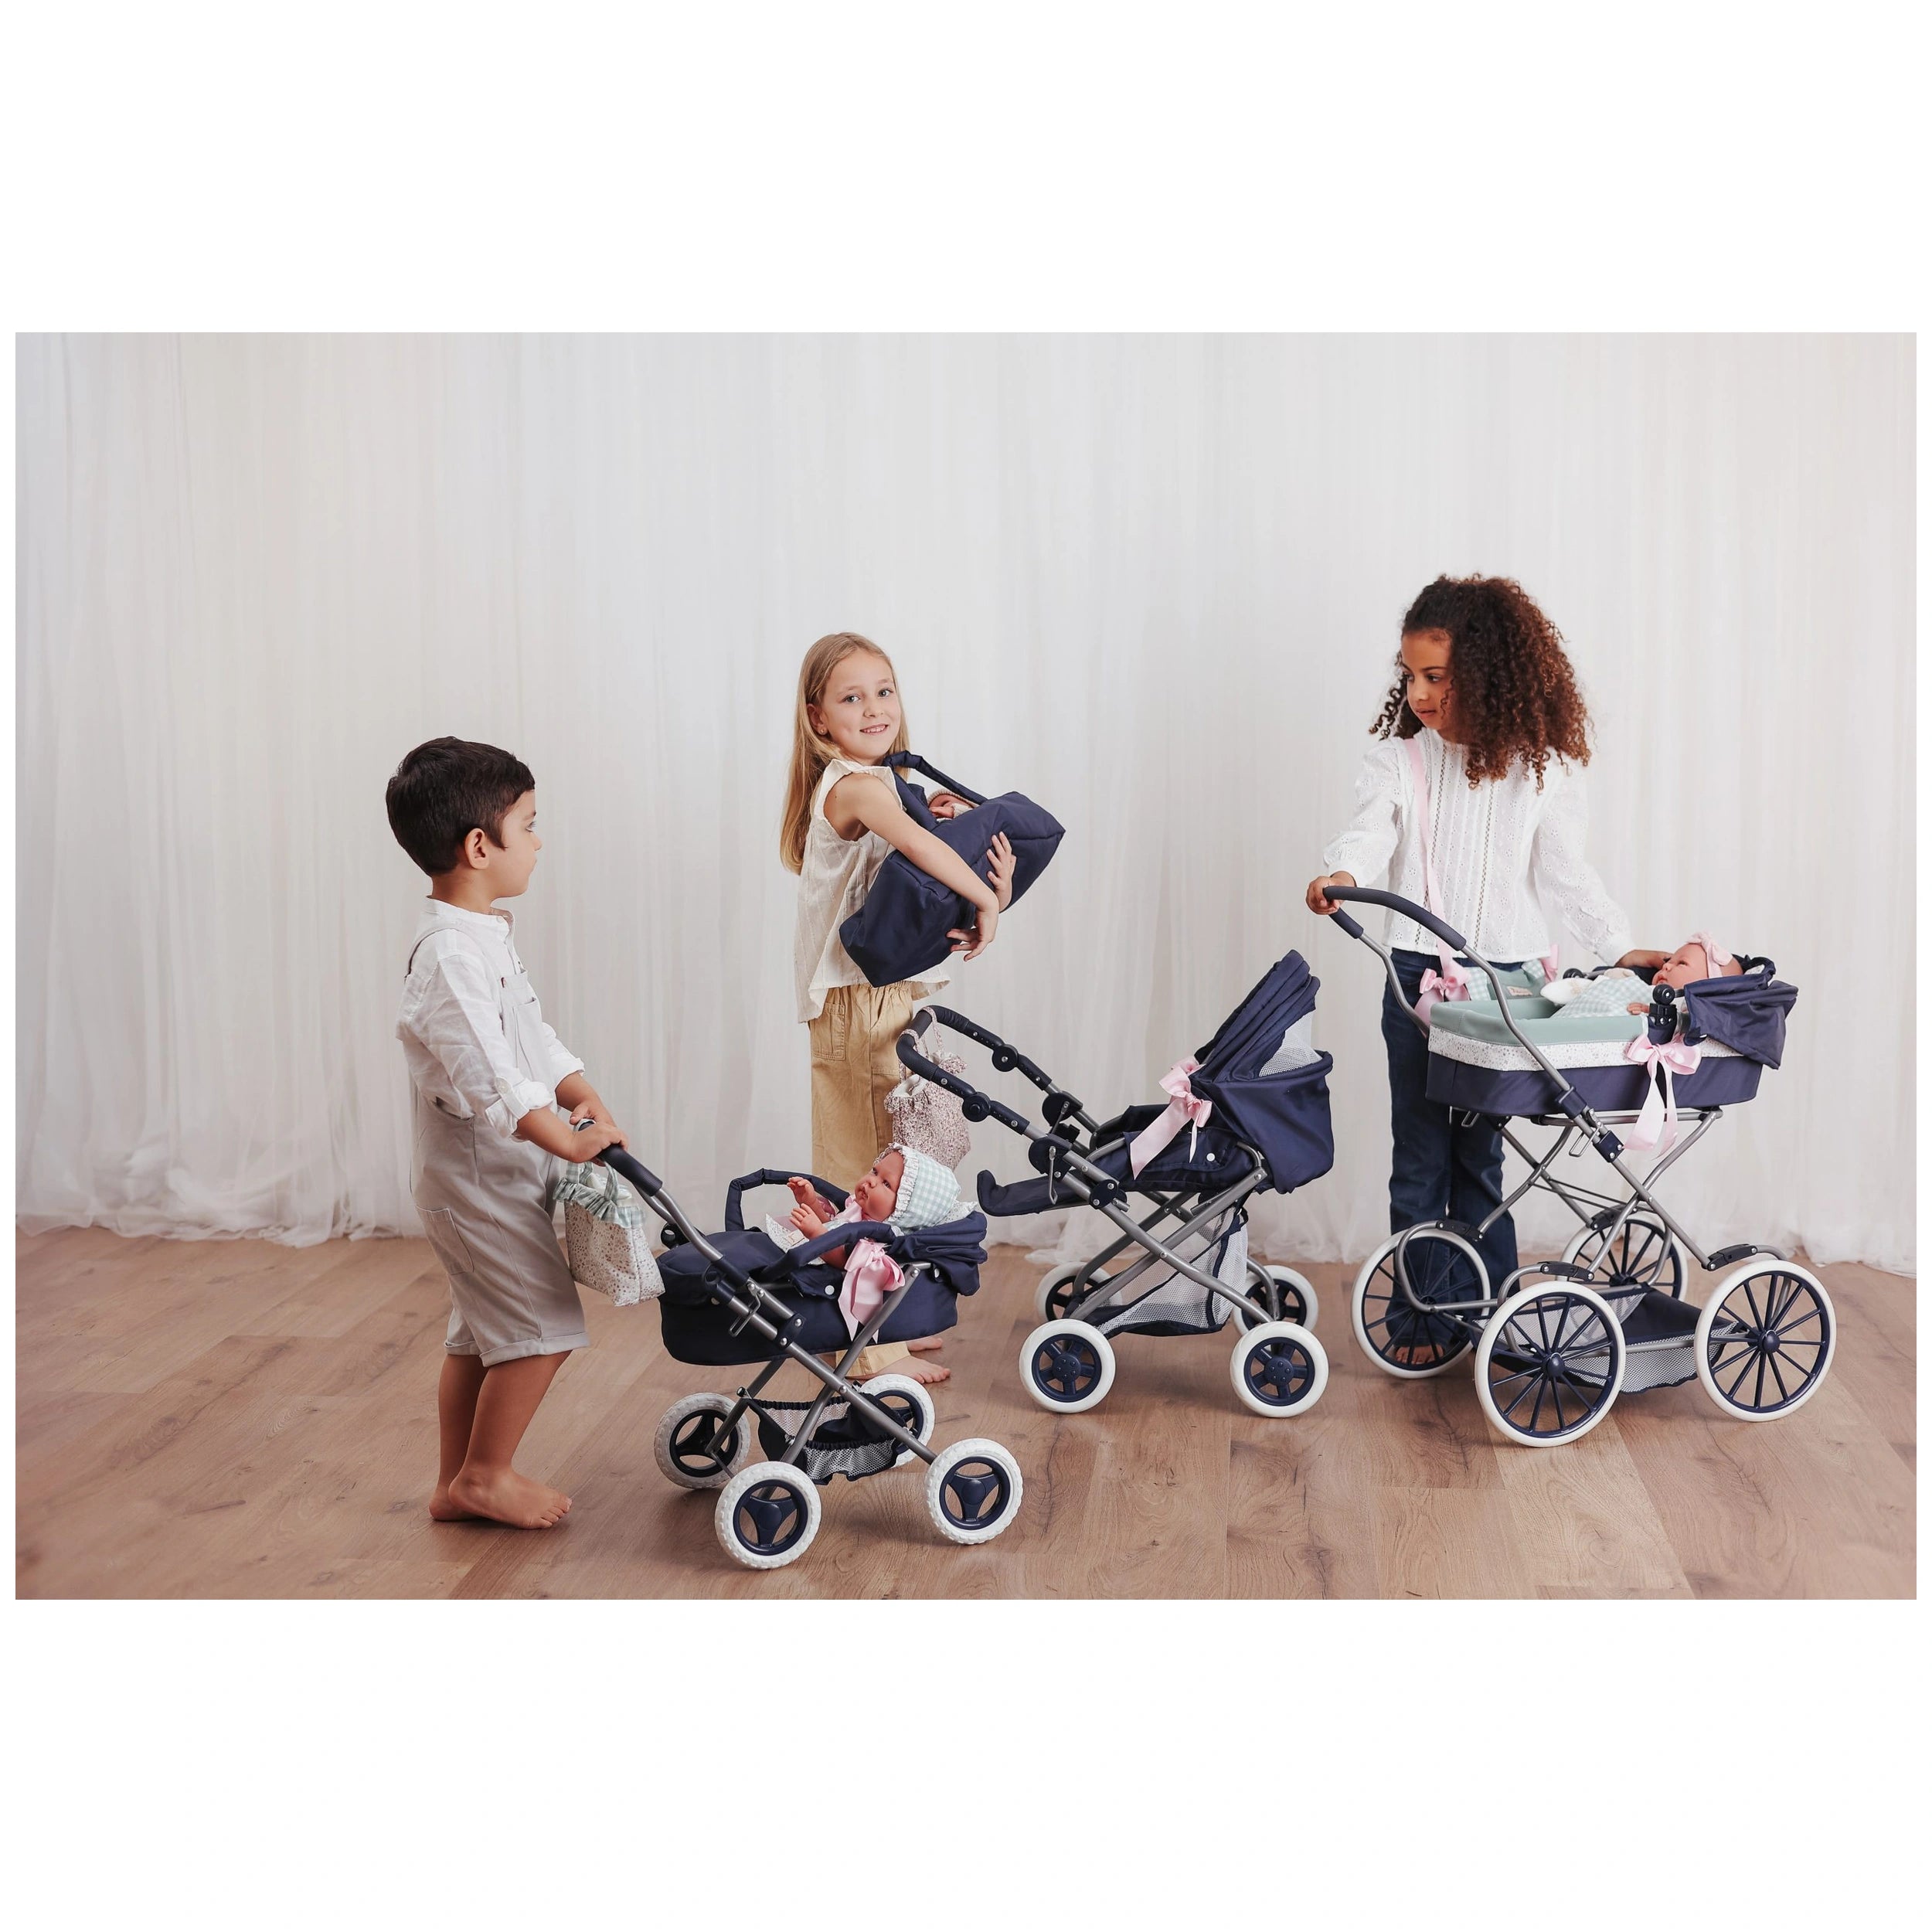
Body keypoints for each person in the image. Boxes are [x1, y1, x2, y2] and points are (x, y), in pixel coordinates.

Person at [1305, 576, 1665, 1309]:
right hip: (1416, 975)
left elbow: (1565, 873)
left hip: (1510, 983)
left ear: (1489, 675)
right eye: (1410, 677)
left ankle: (1492, 1305)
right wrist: (1340, 871)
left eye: (1436, 677)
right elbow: (1373, 829)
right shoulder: (1400, 760)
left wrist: (1618, 944)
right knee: (1419, 1153)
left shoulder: (1542, 770)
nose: (1420, 694)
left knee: (1481, 1154)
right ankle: (1423, 1313)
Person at [388, 736, 627, 1529]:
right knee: (537, 1331)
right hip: (477, 1174)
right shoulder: (449, 954)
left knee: (479, 1337)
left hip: (497, 1168)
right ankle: (487, 1474)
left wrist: (575, 1086)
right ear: (479, 846)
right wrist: (563, 1139)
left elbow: (527, 1034)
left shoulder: (485, 932)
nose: (539, 840)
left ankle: (455, 1479)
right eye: (529, 824)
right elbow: (490, 1074)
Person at [780, 631, 1015, 1386]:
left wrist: (962, 835)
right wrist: (982, 894)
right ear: (819, 719)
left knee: (883, 1170)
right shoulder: (854, 787)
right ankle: (862, 1351)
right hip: (853, 1006)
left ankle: (879, 1317)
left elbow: (925, 855)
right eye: (852, 697)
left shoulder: (884, 780)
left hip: (880, 998)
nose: (875, 707)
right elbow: (916, 847)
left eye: (884, 690)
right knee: (855, 1174)